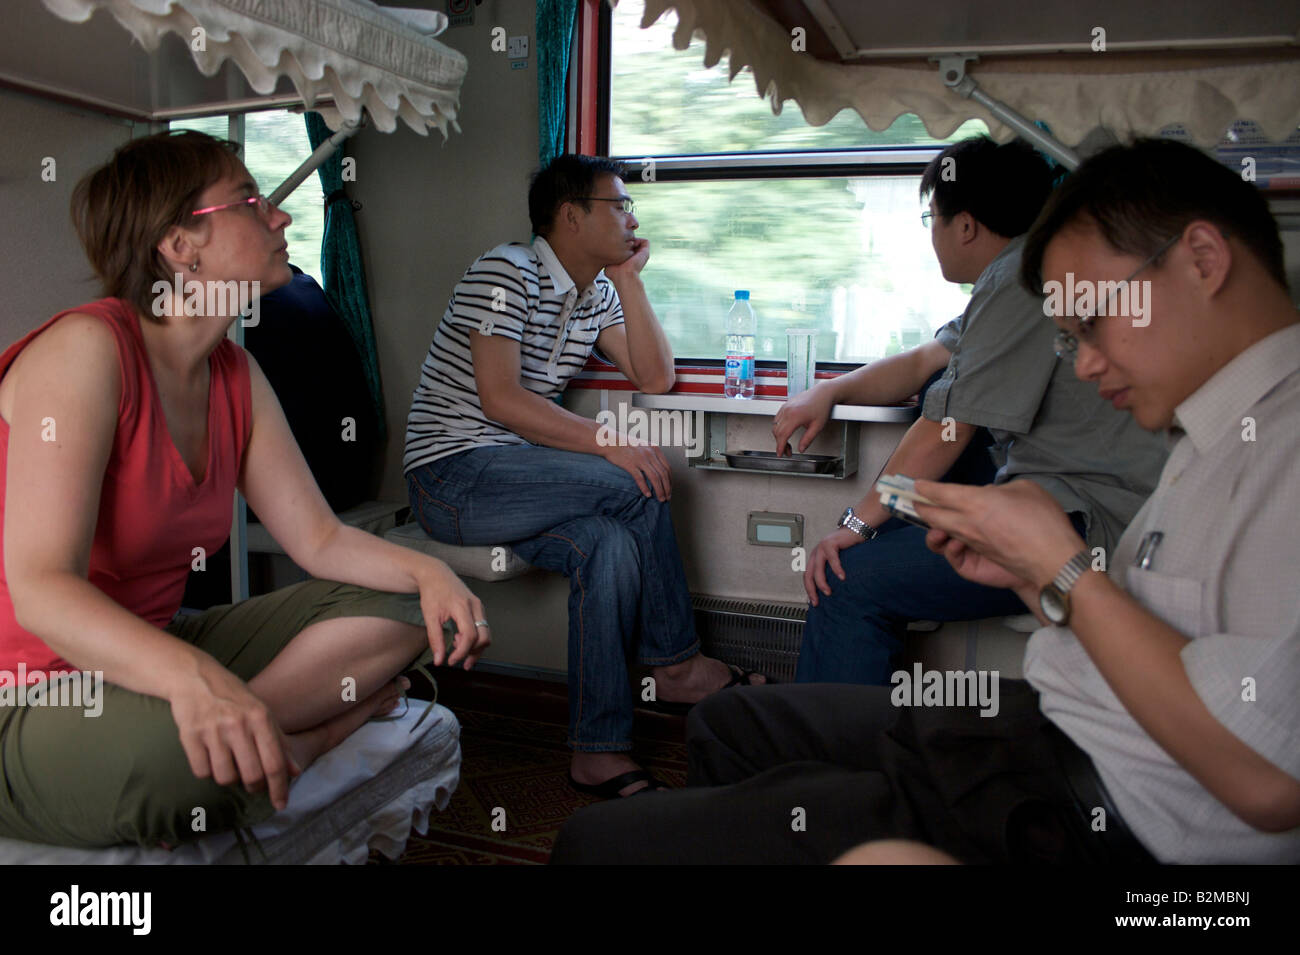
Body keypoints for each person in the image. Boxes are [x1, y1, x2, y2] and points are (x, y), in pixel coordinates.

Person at [551, 138, 1300, 864]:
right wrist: (1037, 572)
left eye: (1093, 324)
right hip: (1061, 725)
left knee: (596, 842)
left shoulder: (1276, 447)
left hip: (1098, 798)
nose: (1089, 362)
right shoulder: (1206, 433)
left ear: (1203, 260)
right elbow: (924, 365)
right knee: (726, 720)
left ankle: (803, 815)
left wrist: (1055, 566)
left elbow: (1271, 780)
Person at [0, 130, 488, 850]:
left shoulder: (235, 373)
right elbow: (40, 586)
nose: (281, 217)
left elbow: (318, 539)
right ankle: (298, 739)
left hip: (150, 645)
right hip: (30, 691)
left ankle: (247, 729)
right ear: (179, 243)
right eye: (253, 202)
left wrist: (429, 570)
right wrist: (193, 678)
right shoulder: (84, 354)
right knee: (176, 765)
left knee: (407, 608)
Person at [404, 154, 764, 798]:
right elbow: (501, 400)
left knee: (610, 546)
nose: (632, 217)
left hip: (510, 477)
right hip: (451, 476)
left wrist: (627, 280)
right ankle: (676, 663)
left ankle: (597, 752)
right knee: (635, 478)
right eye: (619, 205)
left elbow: (655, 378)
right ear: (571, 216)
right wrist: (609, 445)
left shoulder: (594, 293)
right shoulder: (504, 271)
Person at [773, 136, 1167, 685]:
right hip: (1058, 500)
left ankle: (832, 762)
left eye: (930, 216)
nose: (931, 233)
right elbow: (924, 361)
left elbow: (947, 429)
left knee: (845, 579)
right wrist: (830, 393)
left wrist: (855, 527)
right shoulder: (1020, 273)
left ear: (964, 225)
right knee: (939, 380)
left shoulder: (1020, 280)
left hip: (1088, 522)